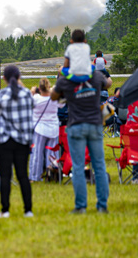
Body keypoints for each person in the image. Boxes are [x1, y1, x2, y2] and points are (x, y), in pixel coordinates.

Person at [51, 60, 112, 214]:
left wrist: (64, 72)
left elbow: (54, 96)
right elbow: (108, 83)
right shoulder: (96, 76)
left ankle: (80, 206)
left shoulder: (66, 80)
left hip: (76, 123)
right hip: (95, 123)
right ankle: (102, 205)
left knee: (78, 166)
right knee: (99, 165)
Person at [0, 65, 34, 218]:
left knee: (5, 175)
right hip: (23, 140)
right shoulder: (27, 94)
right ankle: (28, 210)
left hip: (5, 140)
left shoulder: (0, 96)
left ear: (4, 79)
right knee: (23, 175)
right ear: (19, 77)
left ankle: (5, 210)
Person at [29, 78, 61, 182]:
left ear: (39, 88)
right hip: (53, 128)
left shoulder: (36, 98)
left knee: (37, 154)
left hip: (40, 129)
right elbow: (63, 103)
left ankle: (35, 176)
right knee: (52, 154)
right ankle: (51, 173)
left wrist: (32, 92)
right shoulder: (54, 99)